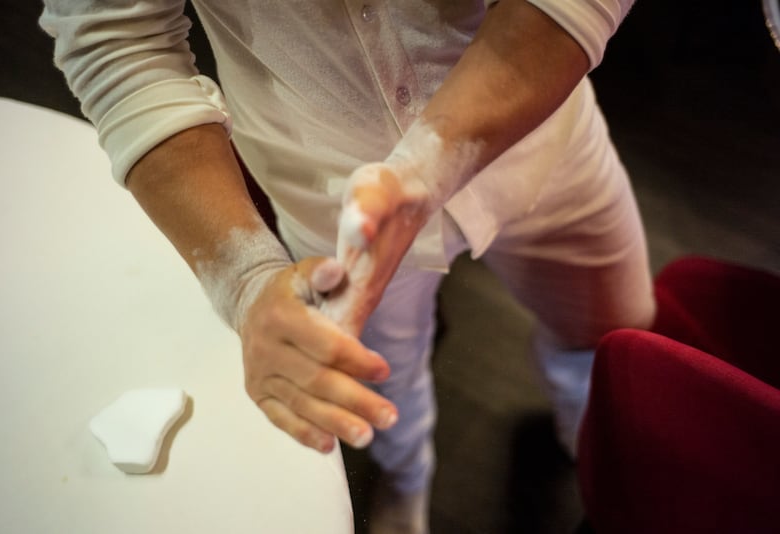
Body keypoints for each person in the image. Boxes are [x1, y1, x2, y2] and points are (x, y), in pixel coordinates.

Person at [40, 1, 656, 532]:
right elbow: (116, 38)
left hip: (544, 132)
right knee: (378, 378)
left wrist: (427, 164)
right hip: (320, 183)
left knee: (611, 330)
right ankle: (406, 477)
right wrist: (247, 280)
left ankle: (592, 440)